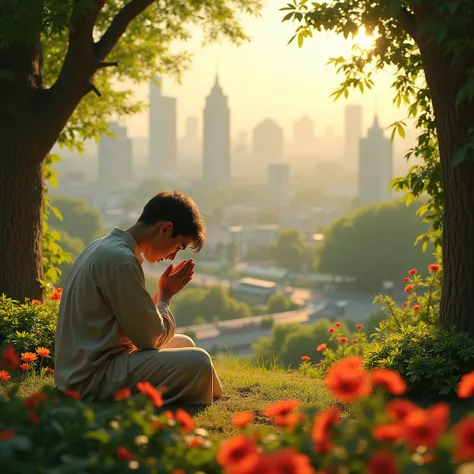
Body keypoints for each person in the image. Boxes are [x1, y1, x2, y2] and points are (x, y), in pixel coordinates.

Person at [54, 191, 223, 404]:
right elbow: (149, 339)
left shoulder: (104, 247)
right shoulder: (121, 261)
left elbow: (134, 320)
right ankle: (209, 395)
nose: (172, 256)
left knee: (184, 343)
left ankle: (214, 395)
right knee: (200, 360)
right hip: (92, 378)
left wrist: (162, 294)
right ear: (165, 228)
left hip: (83, 369)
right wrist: (165, 296)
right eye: (177, 246)